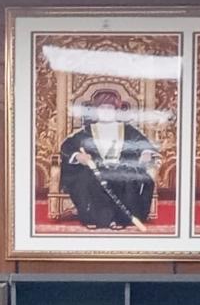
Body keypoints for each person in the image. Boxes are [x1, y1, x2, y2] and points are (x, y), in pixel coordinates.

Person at [59, 89, 158, 230]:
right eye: (102, 108)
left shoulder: (127, 130)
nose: (106, 112)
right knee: (85, 179)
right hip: (96, 172)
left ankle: (122, 220)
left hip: (121, 170)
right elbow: (67, 146)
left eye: (110, 108)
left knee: (130, 178)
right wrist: (78, 156)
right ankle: (96, 219)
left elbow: (144, 144)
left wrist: (145, 153)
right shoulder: (87, 131)